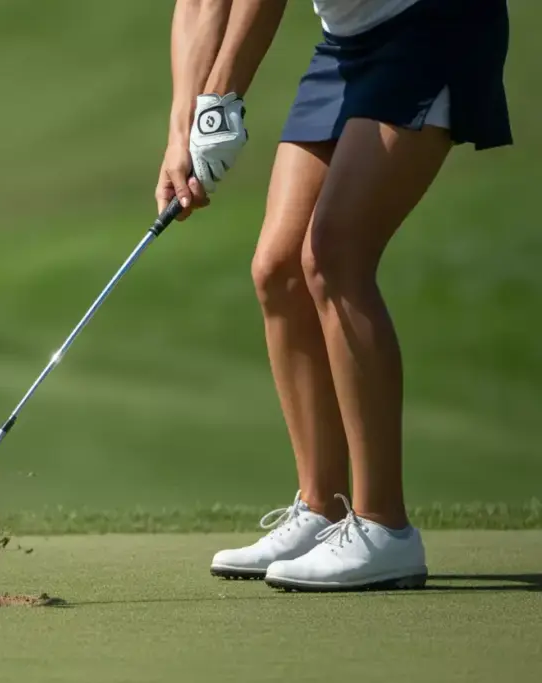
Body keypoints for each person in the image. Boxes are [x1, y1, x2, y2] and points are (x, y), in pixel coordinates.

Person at [156, 0, 512, 591]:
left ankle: (384, 528)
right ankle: (324, 508)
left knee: (334, 256)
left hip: (433, 25)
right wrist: (182, 130)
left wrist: (218, 102)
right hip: (348, 43)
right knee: (279, 270)